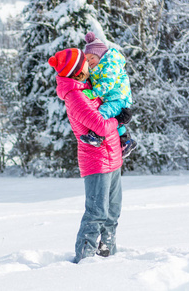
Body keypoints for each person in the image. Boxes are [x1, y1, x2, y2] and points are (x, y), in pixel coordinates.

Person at [48, 48, 131, 263]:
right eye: (84, 61)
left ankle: (107, 255)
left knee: (112, 213)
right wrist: (119, 119)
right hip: (96, 162)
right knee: (96, 214)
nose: (88, 63)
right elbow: (101, 126)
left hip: (112, 158)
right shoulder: (75, 97)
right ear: (77, 69)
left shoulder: (88, 88)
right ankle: (84, 261)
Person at [80, 32, 137, 159]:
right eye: (87, 60)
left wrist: (94, 93)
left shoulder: (110, 64)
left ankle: (97, 135)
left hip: (119, 98)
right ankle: (127, 141)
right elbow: (91, 78)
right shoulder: (97, 67)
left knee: (103, 112)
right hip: (113, 98)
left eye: (92, 58)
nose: (89, 62)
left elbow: (107, 83)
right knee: (116, 120)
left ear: (100, 54)